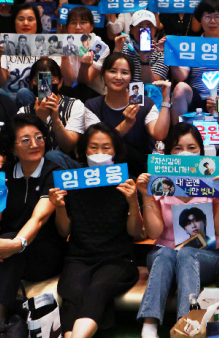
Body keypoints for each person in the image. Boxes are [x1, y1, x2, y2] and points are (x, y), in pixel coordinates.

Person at [0, 115, 66, 338]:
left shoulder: (55, 174)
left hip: (44, 253)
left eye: (39, 137)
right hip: (7, 247)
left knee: (8, 239)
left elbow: (39, 218)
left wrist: (18, 243)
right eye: (25, 140)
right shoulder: (4, 174)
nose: (35, 144)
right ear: (13, 148)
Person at [135, 123, 219, 338]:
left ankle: (186, 326)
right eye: (177, 148)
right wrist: (145, 195)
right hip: (165, 256)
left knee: (187, 253)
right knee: (169, 253)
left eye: (192, 148)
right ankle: (149, 326)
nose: (185, 154)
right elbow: (154, 233)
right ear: (168, 153)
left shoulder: (211, 182)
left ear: (201, 151)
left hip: (204, 256)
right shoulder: (160, 184)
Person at [48, 124, 142, 338]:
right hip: (79, 258)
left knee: (97, 289)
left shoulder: (126, 183)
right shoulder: (72, 182)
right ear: (83, 151)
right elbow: (64, 232)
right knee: (72, 293)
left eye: (106, 148)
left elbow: (135, 232)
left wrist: (133, 202)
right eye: (94, 148)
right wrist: (60, 207)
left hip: (117, 259)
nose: (100, 153)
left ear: (115, 151)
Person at [84, 53, 171, 174]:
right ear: (103, 74)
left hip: (138, 168)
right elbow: (98, 145)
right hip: (103, 168)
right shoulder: (92, 105)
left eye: (124, 73)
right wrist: (126, 124)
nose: (118, 77)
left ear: (131, 77)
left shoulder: (145, 103)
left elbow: (159, 134)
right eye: (113, 71)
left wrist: (166, 99)